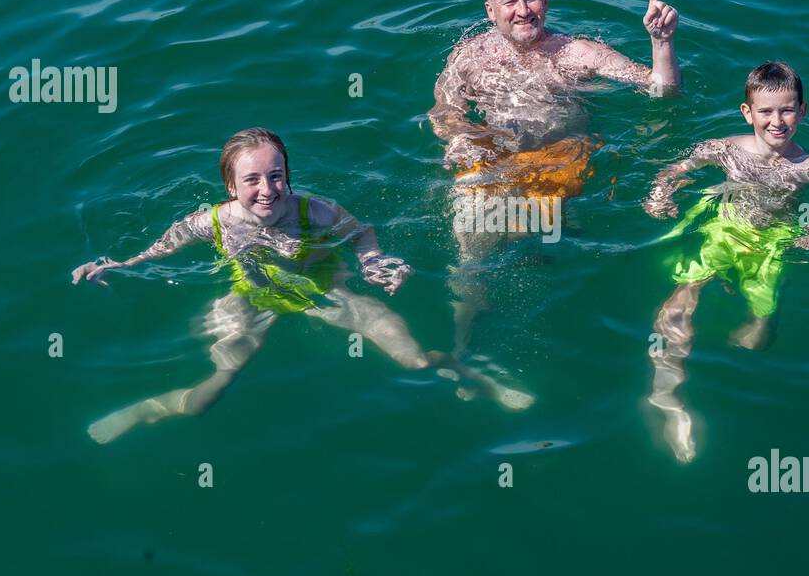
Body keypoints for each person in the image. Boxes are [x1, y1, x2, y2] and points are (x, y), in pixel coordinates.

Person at [71, 127, 530, 444]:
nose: (267, 189)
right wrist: (118, 265)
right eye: (251, 179)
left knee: (413, 361)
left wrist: (372, 263)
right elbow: (160, 249)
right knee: (212, 389)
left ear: (288, 173)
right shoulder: (209, 221)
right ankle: (145, 410)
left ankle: (476, 378)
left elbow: (362, 233)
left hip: (327, 292)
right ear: (230, 186)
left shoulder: (317, 211)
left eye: (276, 175)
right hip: (250, 298)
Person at [429, 0, 681, 355]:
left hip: (558, 162)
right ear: (489, 11)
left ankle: (530, 342)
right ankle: (462, 349)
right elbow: (443, 111)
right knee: (469, 256)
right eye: (510, 1)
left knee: (531, 250)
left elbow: (658, 91)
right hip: (492, 156)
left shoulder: (577, 54)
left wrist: (661, 43)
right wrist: (461, 138)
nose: (523, 9)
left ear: (547, 1)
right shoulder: (469, 57)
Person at [642, 62, 809, 463]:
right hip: (724, 229)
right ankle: (666, 394)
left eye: (787, 110)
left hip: (774, 242)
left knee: (759, 334)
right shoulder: (725, 149)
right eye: (766, 112)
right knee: (679, 304)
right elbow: (672, 170)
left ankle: (731, 383)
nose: (777, 122)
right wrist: (660, 194)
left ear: (803, 111)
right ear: (747, 113)